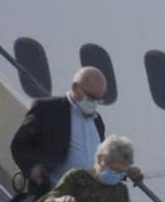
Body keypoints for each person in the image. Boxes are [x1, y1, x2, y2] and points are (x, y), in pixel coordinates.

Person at [11, 67, 144, 194]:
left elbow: (101, 161)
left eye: (99, 99)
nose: (94, 103)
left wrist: (125, 171)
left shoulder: (97, 121)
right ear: (75, 88)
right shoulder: (48, 109)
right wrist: (34, 168)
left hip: (89, 198)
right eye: (91, 97)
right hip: (53, 194)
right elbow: (20, 145)